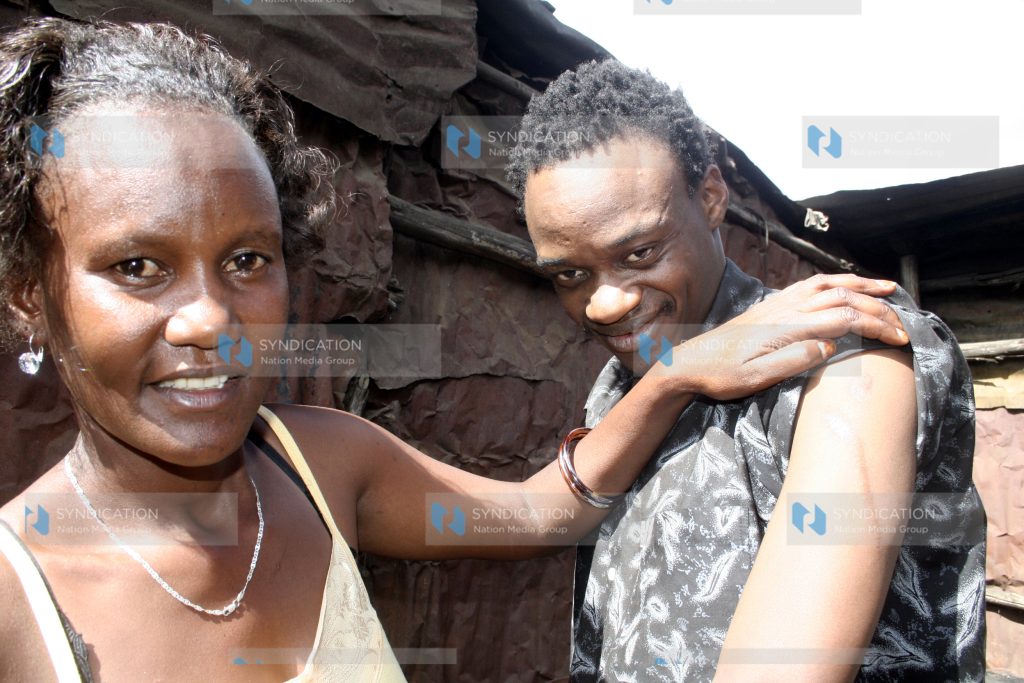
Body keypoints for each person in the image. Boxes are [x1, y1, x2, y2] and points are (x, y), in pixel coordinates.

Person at [0, 19, 910, 683]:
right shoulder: (18, 600)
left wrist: (672, 373)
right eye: (138, 266)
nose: (209, 319)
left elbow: (542, 513)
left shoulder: (317, 464)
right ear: (30, 296)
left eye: (246, 259)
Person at [506, 59, 987, 682]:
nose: (605, 304)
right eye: (570, 274)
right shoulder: (623, 392)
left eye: (640, 252)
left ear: (710, 198)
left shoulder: (846, 352)